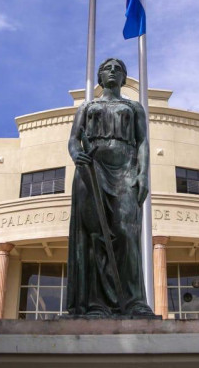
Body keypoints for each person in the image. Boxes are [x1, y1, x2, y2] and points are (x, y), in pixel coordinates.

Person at [65, 58, 154, 317]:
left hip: (125, 168)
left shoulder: (134, 107)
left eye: (118, 68)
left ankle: (134, 301)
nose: (113, 71)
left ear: (124, 78)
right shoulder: (87, 107)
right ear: (100, 77)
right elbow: (73, 140)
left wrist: (143, 174)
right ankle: (97, 304)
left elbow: (143, 142)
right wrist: (76, 155)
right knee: (95, 236)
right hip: (92, 171)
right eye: (107, 68)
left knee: (127, 232)